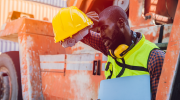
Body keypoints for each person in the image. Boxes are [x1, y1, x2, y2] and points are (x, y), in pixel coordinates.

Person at [52, 6, 165, 100]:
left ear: (121, 23)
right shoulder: (111, 48)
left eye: (104, 28)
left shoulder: (154, 58)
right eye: (99, 30)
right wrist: (82, 22)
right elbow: (82, 35)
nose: (101, 35)